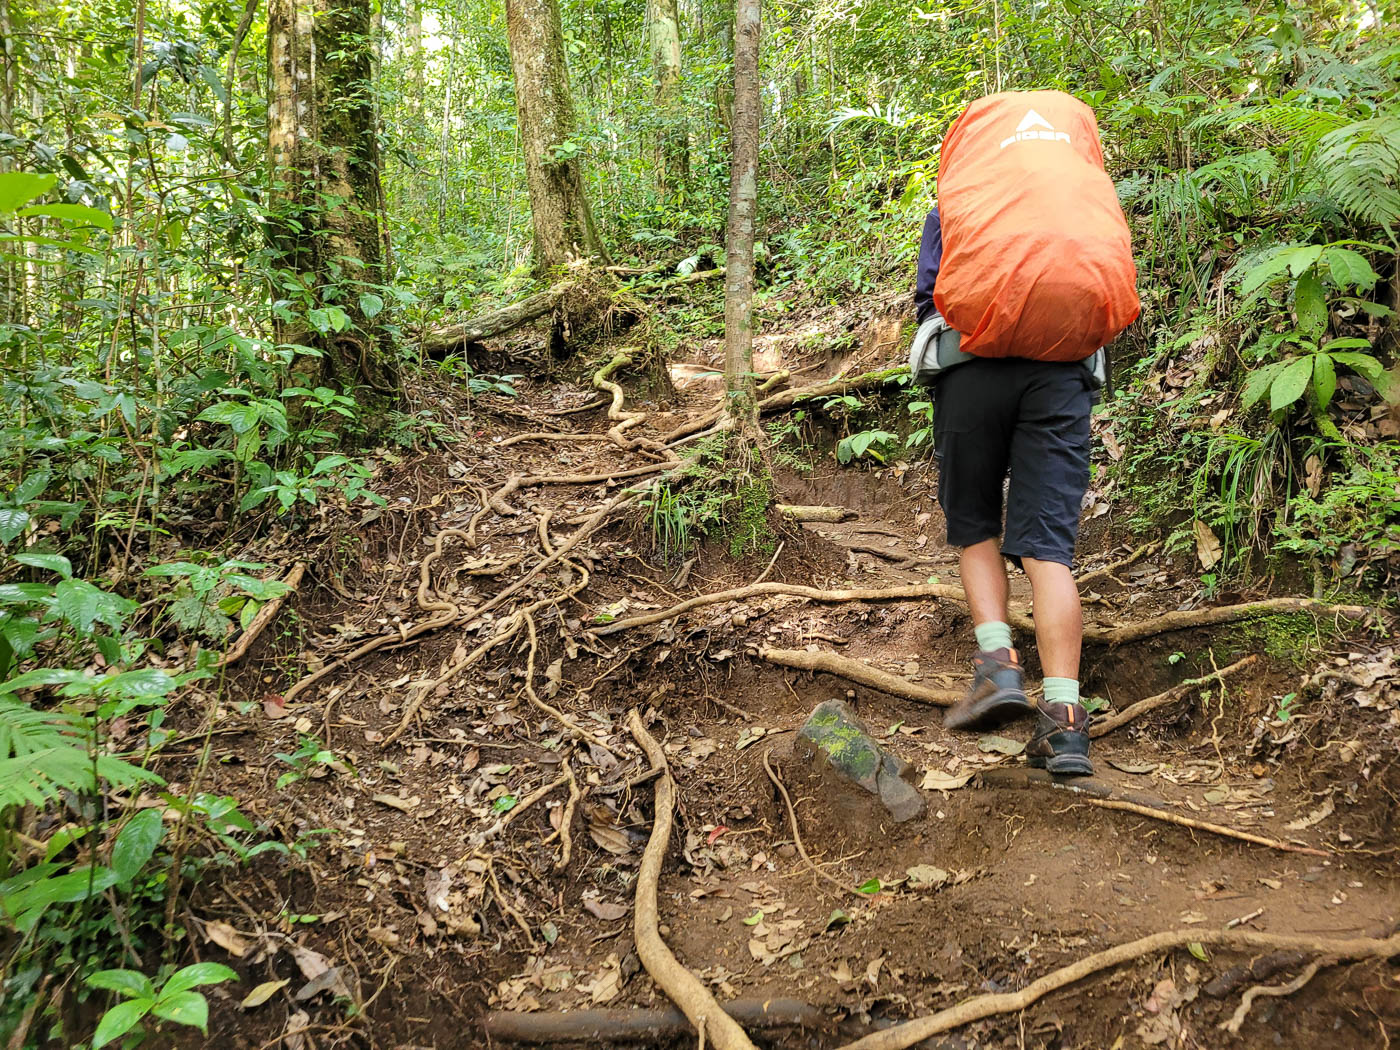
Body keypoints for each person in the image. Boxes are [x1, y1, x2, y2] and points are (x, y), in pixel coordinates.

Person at [914, 201, 1097, 777]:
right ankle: (1065, 719)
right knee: (1047, 550)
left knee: (975, 528)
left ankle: (998, 666)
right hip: (1061, 370)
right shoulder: (1077, 198)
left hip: (971, 365)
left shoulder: (962, 198)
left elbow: (930, 295)